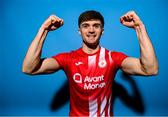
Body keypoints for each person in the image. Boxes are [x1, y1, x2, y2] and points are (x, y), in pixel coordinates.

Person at [22, 10, 158, 116]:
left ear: (102, 31)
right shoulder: (68, 58)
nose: (91, 30)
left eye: (96, 26)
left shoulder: (112, 58)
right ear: (79, 31)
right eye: (85, 26)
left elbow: (150, 69)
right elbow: (29, 68)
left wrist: (140, 27)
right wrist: (43, 30)